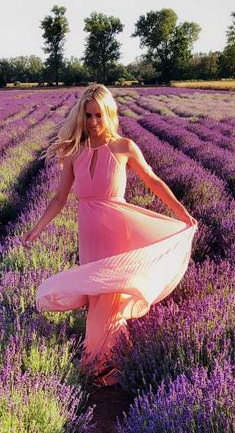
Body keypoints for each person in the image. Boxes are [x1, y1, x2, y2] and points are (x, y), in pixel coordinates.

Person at [22, 84, 198, 387]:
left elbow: (153, 181)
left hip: (119, 229)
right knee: (97, 297)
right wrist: (37, 228)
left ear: (109, 113)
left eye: (99, 115)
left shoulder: (124, 147)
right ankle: (119, 360)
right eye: (88, 115)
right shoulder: (73, 152)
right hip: (89, 232)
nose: (93, 122)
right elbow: (59, 198)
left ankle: (99, 365)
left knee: (109, 298)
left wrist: (182, 213)